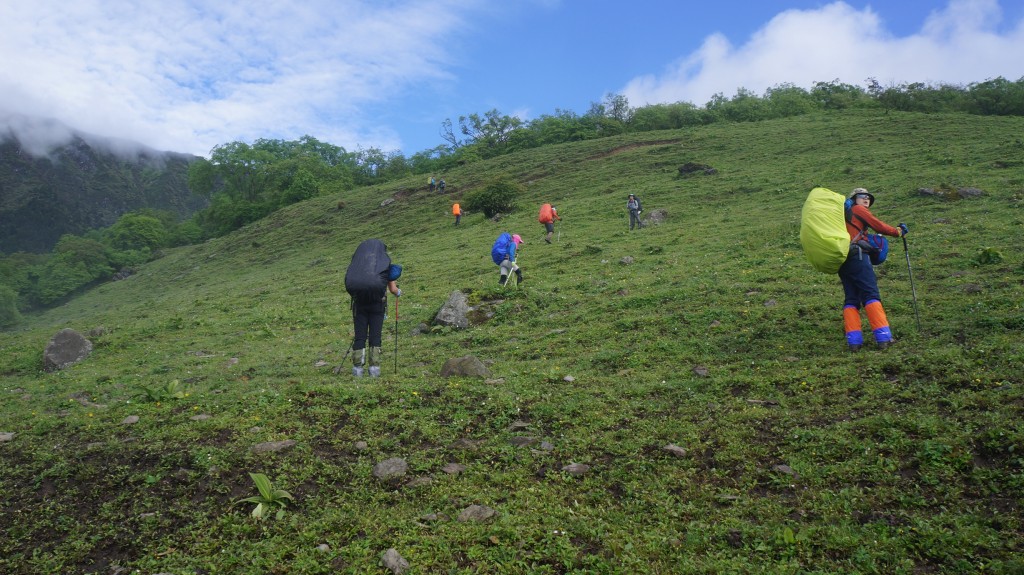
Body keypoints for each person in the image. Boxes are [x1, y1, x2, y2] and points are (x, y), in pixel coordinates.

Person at [839, 188, 908, 352]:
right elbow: (878, 226)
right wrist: (897, 231)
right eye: (862, 197)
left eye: (869, 198)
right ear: (854, 199)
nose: (866, 200)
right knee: (871, 294)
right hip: (859, 256)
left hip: (842, 259)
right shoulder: (858, 210)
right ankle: (883, 337)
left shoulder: (841, 216)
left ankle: (854, 342)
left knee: (851, 298)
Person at [344, 239, 402, 377]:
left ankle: (357, 369)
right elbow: (393, 289)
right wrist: (399, 292)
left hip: (360, 305)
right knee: (375, 335)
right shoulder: (384, 265)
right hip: (377, 305)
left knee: (360, 336)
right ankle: (374, 369)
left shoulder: (357, 266)